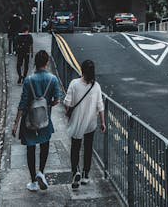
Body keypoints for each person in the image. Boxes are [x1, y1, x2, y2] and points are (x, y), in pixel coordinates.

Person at [12, 50, 62, 192]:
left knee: (30, 148)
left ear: (35, 63)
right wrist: (46, 105)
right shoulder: (52, 79)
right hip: (45, 119)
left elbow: (22, 103)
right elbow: (57, 100)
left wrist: (16, 123)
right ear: (46, 63)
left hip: (29, 120)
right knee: (44, 145)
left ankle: (33, 181)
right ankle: (41, 172)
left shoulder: (28, 80)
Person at [64, 59, 105, 189]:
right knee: (88, 148)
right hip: (90, 123)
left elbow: (68, 103)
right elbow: (100, 106)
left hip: (77, 123)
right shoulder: (96, 86)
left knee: (75, 148)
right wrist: (103, 122)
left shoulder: (74, 84)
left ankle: (75, 171)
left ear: (81, 70)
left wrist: (68, 113)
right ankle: (86, 174)